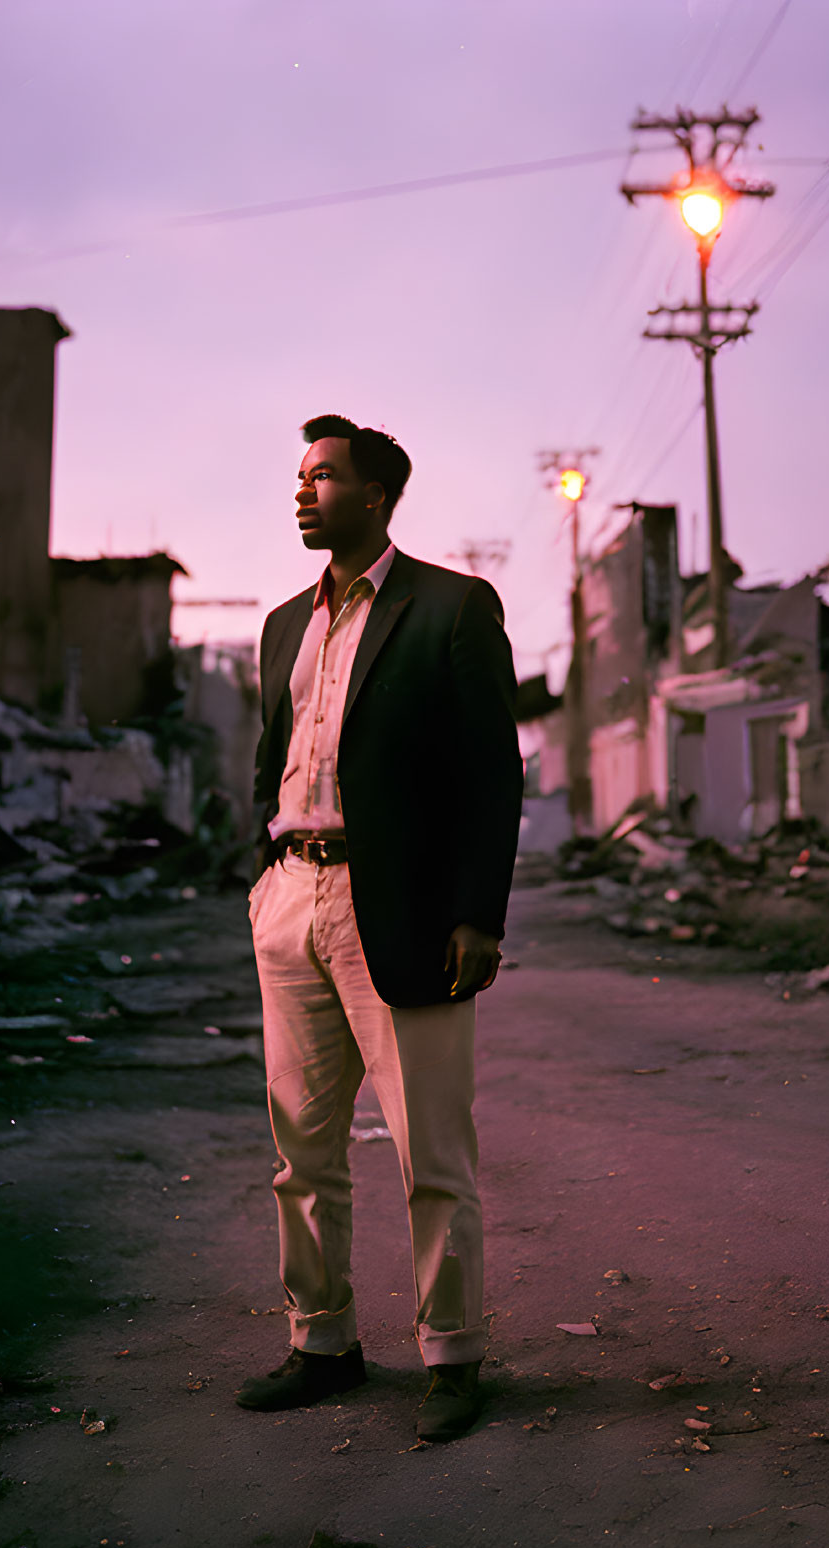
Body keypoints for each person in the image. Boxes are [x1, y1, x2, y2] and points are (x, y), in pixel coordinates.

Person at [235, 413, 523, 1443]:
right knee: (300, 1153)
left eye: (322, 476)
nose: (303, 491)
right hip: (291, 900)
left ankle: (452, 1358)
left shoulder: (448, 608)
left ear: (375, 495)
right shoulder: (282, 625)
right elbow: (270, 761)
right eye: (300, 475)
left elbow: (494, 776)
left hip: (394, 908)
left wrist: (475, 916)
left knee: (430, 1152)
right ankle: (322, 1344)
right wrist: (262, 880)